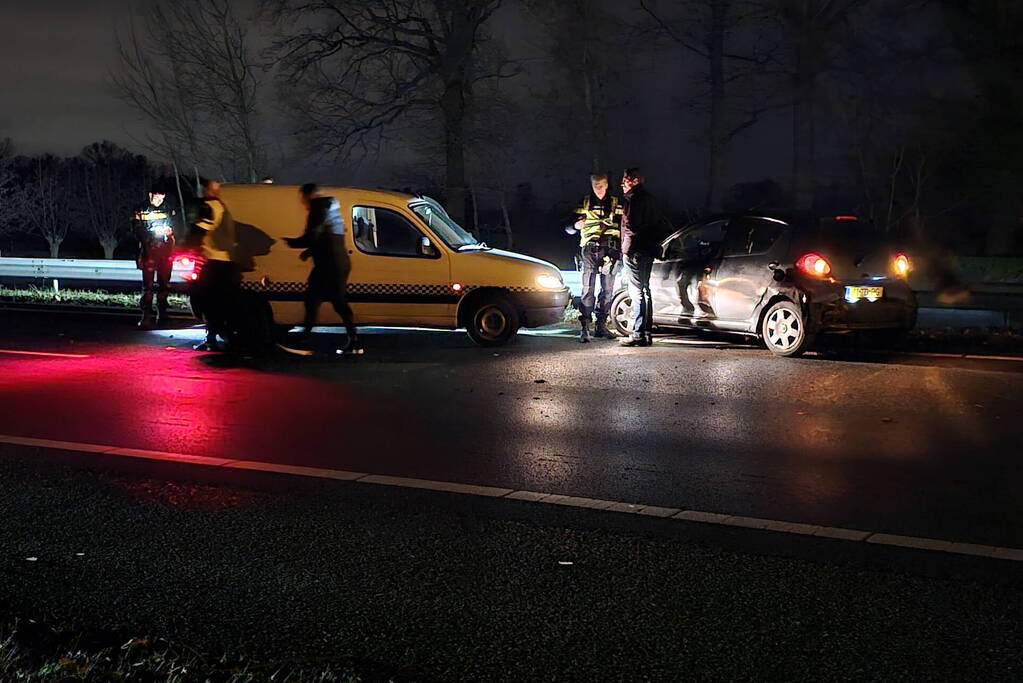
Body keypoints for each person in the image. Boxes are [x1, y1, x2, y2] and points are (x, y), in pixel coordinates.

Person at [284, 183, 361, 354]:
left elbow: (313, 235)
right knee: (323, 300)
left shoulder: (318, 208)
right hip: (337, 262)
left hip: (329, 265)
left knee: (319, 300)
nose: (302, 203)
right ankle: (353, 341)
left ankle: (306, 341)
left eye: (302, 199)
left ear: (308, 196)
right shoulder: (331, 207)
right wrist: (310, 252)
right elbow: (329, 237)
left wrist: (292, 242)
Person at [565, 172, 623, 342]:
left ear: (606, 185)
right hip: (590, 250)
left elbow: (623, 225)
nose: (598, 188)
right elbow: (568, 227)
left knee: (607, 290)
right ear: (591, 185)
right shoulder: (583, 203)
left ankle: (601, 326)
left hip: (610, 250)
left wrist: (621, 251)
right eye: (595, 185)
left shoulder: (616, 203)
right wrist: (575, 225)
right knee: (587, 289)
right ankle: (585, 328)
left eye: (601, 185)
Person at [619, 167, 670, 347]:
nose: (622, 183)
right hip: (648, 250)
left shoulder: (634, 200)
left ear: (635, 181)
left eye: (625, 180)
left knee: (637, 292)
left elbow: (631, 227)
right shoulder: (651, 199)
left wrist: (627, 247)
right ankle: (647, 332)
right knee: (645, 291)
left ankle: (638, 333)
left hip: (635, 251)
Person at [190, 179, 240, 351]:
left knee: (207, 300)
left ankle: (211, 338)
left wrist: (186, 245)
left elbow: (200, 229)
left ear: (208, 190)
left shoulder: (210, 206)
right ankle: (225, 337)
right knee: (221, 301)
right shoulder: (222, 207)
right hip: (226, 261)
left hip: (214, 260)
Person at [133, 188, 176, 329]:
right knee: (148, 286)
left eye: (162, 197)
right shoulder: (141, 209)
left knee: (164, 284)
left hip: (165, 250)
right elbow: (136, 228)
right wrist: (148, 239)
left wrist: (170, 231)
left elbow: (176, 225)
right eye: (157, 197)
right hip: (148, 250)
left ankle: (162, 314)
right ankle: (146, 316)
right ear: (151, 195)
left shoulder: (168, 208)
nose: (159, 200)